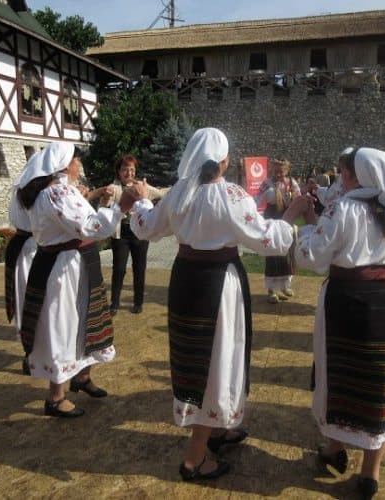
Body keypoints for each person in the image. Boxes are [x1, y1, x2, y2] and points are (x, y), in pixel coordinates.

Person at [129, 128, 294, 481]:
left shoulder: (178, 195)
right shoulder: (231, 195)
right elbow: (267, 238)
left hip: (186, 279)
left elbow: (145, 227)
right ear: (224, 161)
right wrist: (292, 216)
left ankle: (221, 429)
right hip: (220, 283)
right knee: (218, 360)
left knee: (199, 356)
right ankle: (194, 458)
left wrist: (143, 199)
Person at [291, 148, 385, 499]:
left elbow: (312, 257)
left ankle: (333, 449)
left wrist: (304, 230)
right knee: (383, 385)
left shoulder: (341, 207)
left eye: (348, 172)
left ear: (356, 175)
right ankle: (370, 473)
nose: (343, 177)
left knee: (339, 377)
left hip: (348, 301)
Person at [16, 142, 139, 418]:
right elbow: (92, 226)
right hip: (64, 267)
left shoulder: (53, 191)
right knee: (65, 325)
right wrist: (122, 206)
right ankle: (55, 397)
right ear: (64, 165)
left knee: (85, 319)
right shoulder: (57, 192)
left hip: (72, 262)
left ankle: (81, 377)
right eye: (76, 160)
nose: (80, 165)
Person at [88, 155, 167, 315]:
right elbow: (103, 210)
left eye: (132, 170)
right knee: (119, 269)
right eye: (125, 170)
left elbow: (159, 194)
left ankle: (138, 303)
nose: (129, 173)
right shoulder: (113, 188)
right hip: (121, 235)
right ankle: (115, 303)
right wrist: (106, 198)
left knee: (140, 268)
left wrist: (176, 191)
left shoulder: (141, 186)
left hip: (140, 235)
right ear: (119, 171)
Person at [4, 155, 39, 375]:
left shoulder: (20, 186)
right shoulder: (33, 190)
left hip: (23, 246)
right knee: (30, 302)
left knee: (25, 300)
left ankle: (30, 353)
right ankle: (32, 354)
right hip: (31, 249)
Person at [255, 158, 300, 303]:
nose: (278, 173)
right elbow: (256, 199)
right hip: (272, 218)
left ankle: (285, 285)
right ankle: (271, 290)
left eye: (281, 171)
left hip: (286, 218)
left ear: (287, 170)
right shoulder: (266, 183)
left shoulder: (292, 183)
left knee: (286, 252)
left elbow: (299, 200)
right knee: (272, 252)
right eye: (275, 170)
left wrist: (297, 197)